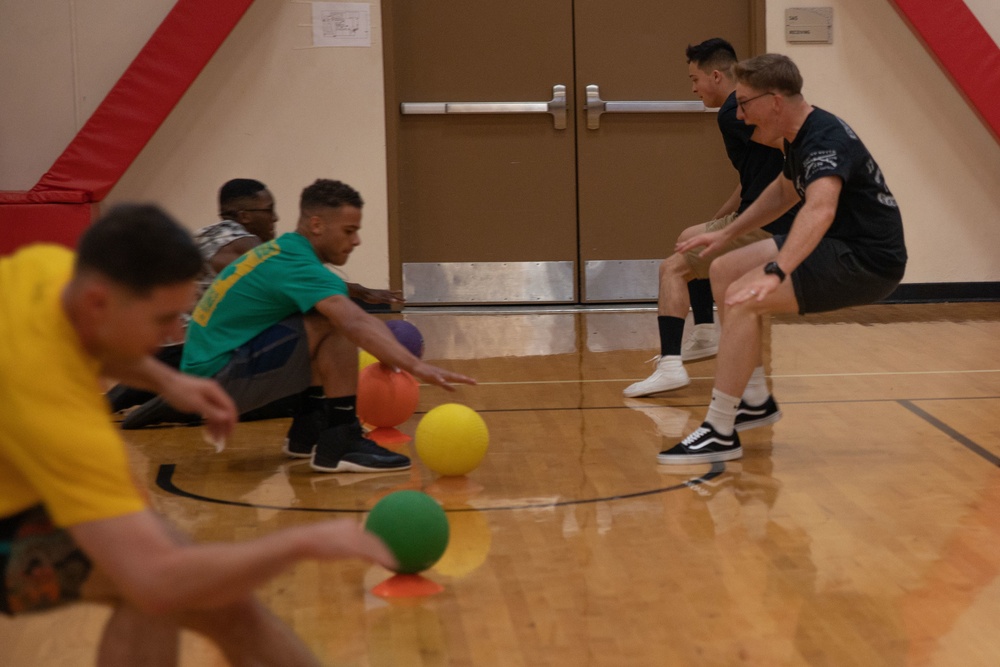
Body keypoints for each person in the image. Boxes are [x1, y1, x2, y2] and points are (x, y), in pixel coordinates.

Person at [0, 204, 398, 664]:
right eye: (161, 319)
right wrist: (301, 543)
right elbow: (156, 577)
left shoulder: (48, 272)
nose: (175, 333)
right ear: (99, 302)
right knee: (164, 585)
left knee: (209, 600)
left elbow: (88, 338)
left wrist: (167, 379)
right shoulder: (55, 411)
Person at [658, 53, 906, 464]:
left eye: (744, 103)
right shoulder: (799, 133)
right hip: (840, 243)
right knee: (724, 269)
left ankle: (719, 429)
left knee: (741, 296)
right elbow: (784, 194)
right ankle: (753, 399)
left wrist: (777, 271)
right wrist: (727, 234)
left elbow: (819, 210)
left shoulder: (824, 138)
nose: (739, 115)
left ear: (774, 100)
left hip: (865, 259)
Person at [175, 177, 476, 474]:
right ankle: (341, 441)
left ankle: (309, 428)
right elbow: (354, 321)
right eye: (349, 231)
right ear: (317, 225)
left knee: (318, 315)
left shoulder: (281, 251)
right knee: (336, 322)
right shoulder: (299, 265)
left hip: (207, 374)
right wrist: (416, 366)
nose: (356, 241)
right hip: (214, 383)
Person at [112, 178, 404, 426]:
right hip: (195, 348)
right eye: (269, 210)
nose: (275, 218)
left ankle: (138, 392)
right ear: (245, 215)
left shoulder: (204, 234)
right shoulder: (244, 243)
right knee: (292, 388)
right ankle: (182, 408)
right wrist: (356, 292)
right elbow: (284, 276)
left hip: (165, 344)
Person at [624, 38, 798, 398]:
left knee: (671, 268)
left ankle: (671, 366)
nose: (693, 88)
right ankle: (704, 332)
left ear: (716, 76)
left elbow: (789, 146)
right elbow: (751, 176)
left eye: (694, 80)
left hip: (771, 222)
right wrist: (718, 221)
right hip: (761, 212)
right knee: (692, 235)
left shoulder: (734, 112)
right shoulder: (742, 110)